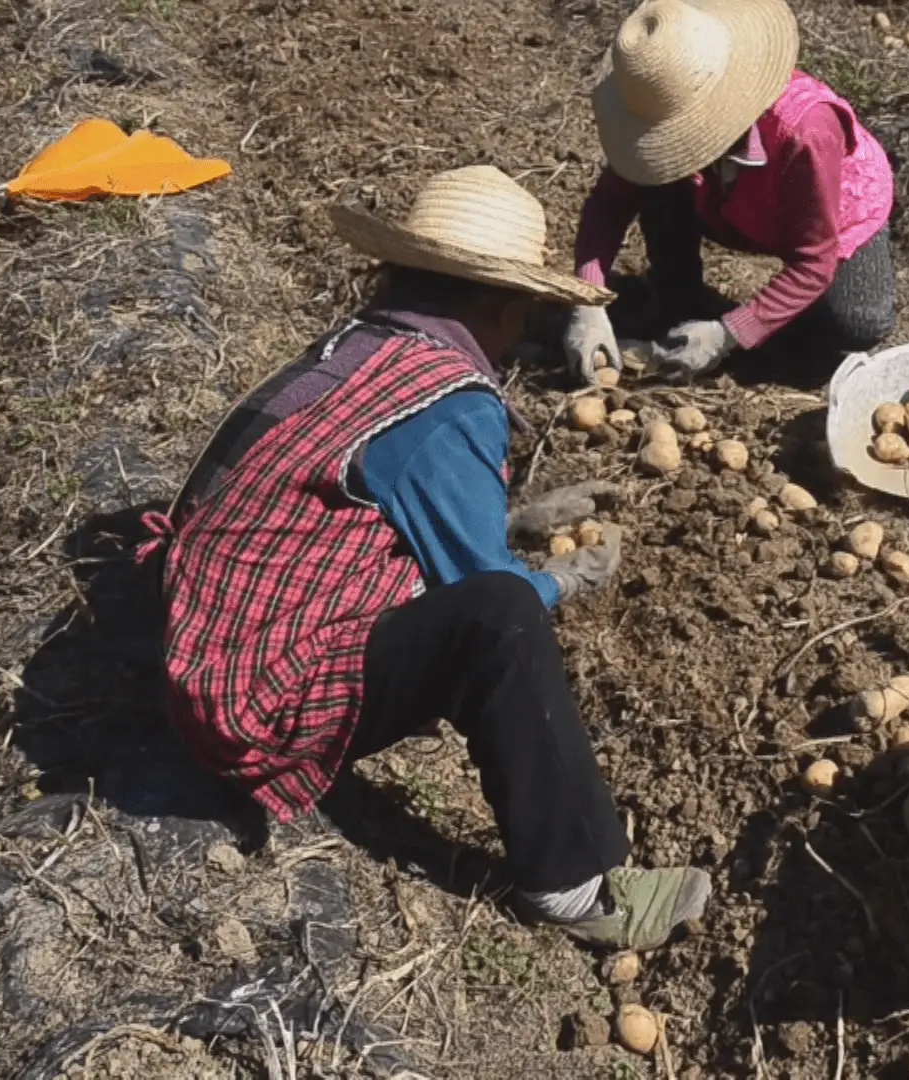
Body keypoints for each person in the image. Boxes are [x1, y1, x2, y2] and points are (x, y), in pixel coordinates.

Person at [140, 165, 709, 950]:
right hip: (248, 702)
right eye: (525, 316)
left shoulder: (363, 345)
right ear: (502, 306)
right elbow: (478, 583)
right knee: (500, 623)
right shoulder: (450, 402)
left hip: (199, 634)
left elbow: (383, 490)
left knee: (485, 603)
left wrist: (519, 516)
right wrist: (558, 577)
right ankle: (576, 886)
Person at [562, 0, 896, 384]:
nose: (672, 147)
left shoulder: (806, 134)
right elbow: (609, 205)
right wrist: (587, 302)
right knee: (653, 180)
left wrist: (730, 332)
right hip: (727, 201)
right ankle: (679, 303)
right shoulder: (656, 106)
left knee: (856, 323)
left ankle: (770, 336)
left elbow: (813, 261)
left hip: (830, 208)